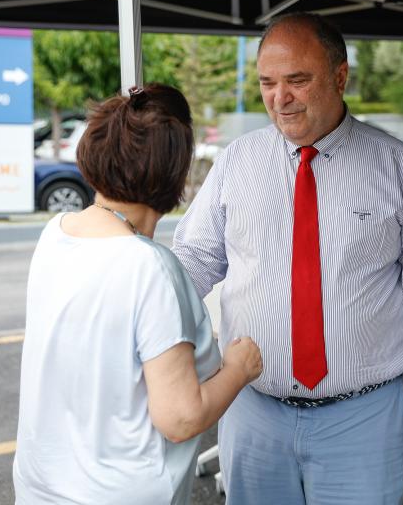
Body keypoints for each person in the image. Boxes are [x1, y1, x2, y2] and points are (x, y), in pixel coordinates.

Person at [173, 12, 403, 504]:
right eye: (267, 82)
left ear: (340, 76)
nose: (279, 98)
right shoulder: (237, 162)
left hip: (364, 417)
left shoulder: (398, 168)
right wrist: (142, 311)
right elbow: (196, 258)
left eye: (297, 80)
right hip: (254, 410)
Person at [13, 84, 263, 505]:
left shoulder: (54, 236)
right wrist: (239, 368)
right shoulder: (149, 267)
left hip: (39, 488)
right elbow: (181, 418)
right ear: (174, 174)